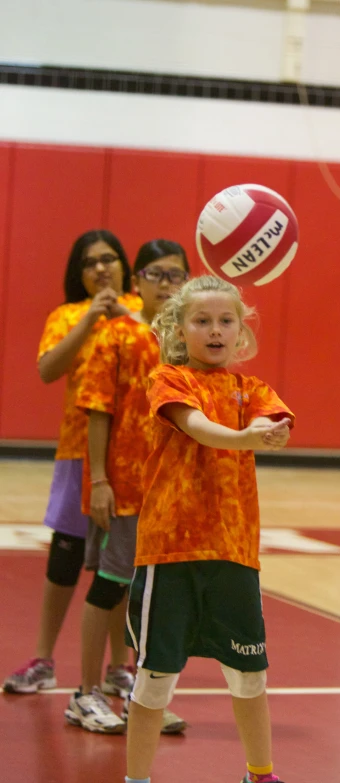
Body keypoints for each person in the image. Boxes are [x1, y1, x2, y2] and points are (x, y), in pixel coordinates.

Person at [124, 275, 294, 783]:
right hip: (169, 552)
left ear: (241, 331)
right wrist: (246, 436)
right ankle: (137, 779)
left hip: (233, 553)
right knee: (155, 679)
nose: (215, 330)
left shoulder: (254, 390)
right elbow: (197, 427)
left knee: (249, 675)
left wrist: (270, 433)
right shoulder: (169, 380)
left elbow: (275, 425)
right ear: (180, 328)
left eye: (226, 321)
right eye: (202, 321)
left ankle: (259, 774)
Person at [3, 230, 142, 695]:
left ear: (125, 266)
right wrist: (90, 320)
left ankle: (118, 666)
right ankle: (43, 660)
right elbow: (47, 370)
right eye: (89, 262)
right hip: (76, 454)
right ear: (78, 274)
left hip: (130, 460)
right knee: (64, 561)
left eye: (109, 259)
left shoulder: (141, 314)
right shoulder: (66, 316)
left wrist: (124, 315)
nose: (100, 268)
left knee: (120, 564)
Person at [66, 240, 190, 734]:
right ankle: (84, 694)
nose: (165, 283)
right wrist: (99, 480)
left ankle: (144, 698)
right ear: (135, 281)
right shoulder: (116, 334)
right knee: (109, 585)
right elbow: (97, 408)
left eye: (175, 275)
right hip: (123, 488)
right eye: (155, 273)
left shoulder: (187, 342)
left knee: (151, 597)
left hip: (171, 494)